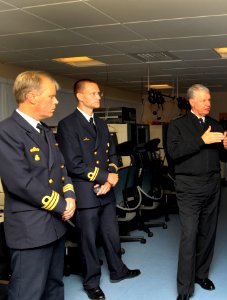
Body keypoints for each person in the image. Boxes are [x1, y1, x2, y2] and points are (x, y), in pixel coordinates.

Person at [57, 79, 140, 300]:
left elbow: (113, 155)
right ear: (80, 96)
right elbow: (73, 163)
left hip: (106, 191)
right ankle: (91, 282)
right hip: (85, 193)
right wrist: (105, 177)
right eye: (93, 93)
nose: (98, 97)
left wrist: (109, 181)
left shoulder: (102, 124)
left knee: (112, 235)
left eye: (99, 93)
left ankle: (118, 270)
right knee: (88, 240)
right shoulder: (67, 125)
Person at [0, 71, 76, 300]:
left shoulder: (44, 130)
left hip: (55, 225)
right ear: (32, 96)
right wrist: (62, 205)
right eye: (52, 96)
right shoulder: (7, 132)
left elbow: (61, 168)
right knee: (28, 292)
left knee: (54, 286)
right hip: (30, 229)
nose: (57, 101)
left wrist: (70, 196)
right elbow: (21, 183)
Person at [166, 84, 227, 300]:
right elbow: (174, 154)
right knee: (189, 235)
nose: (208, 104)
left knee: (208, 232)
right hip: (188, 187)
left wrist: (226, 146)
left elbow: (225, 158)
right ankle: (184, 288)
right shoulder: (177, 126)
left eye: (209, 100)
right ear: (192, 102)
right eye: (204, 100)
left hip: (213, 185)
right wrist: (201, 141)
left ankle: (201, 274)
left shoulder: (215, 125)